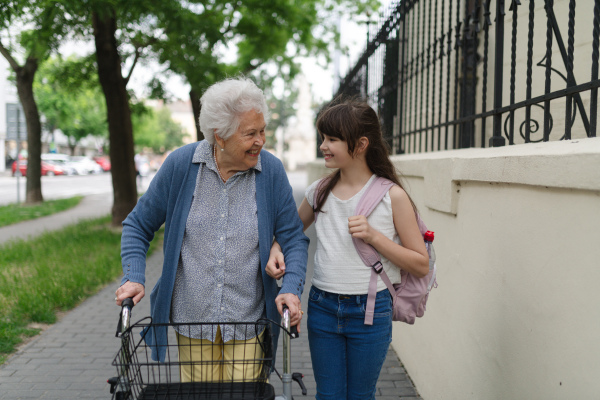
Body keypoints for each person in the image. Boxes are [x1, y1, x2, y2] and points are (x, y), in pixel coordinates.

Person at [115, 76, 309, 382]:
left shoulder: (270, 171)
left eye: (262, 131)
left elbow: (294, 239)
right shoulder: (180, 165)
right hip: (193, 320)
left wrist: (291, 289)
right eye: (250, 134)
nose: (260, 141)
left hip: (248, 319)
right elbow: (138, 225)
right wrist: (134, 277)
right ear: (219, 136)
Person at [266, 99, 429, 399]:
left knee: (359, 396)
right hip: (322, 307)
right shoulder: (319, 191)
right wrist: (277, 246)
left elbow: (420, 264)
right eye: (323, 138)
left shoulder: (392, 196)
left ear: (361, 144)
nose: (323, 146)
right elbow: (290, 232)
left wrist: (376, 237)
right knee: (328, 395)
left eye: (332, 139)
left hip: (370, 310)